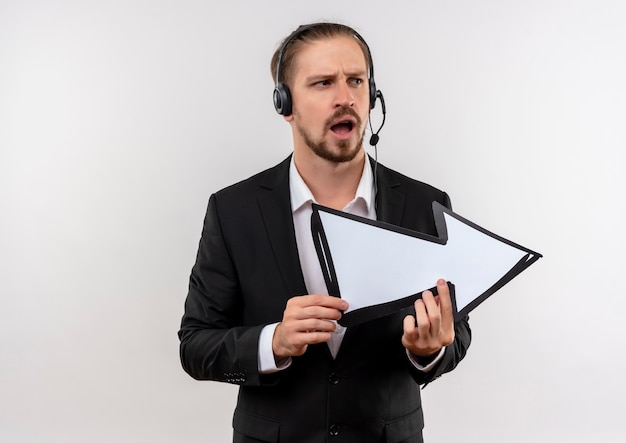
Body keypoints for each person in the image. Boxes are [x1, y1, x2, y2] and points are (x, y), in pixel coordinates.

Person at [179, 22, 471, 443]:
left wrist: (429, 350)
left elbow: (456, 332)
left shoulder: (424, 204)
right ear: (286, 104)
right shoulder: (233, 210)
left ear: (372, 96)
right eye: (322, 83)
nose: (345, 97)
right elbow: (196, 344)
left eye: (356, 80)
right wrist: (273, 341)